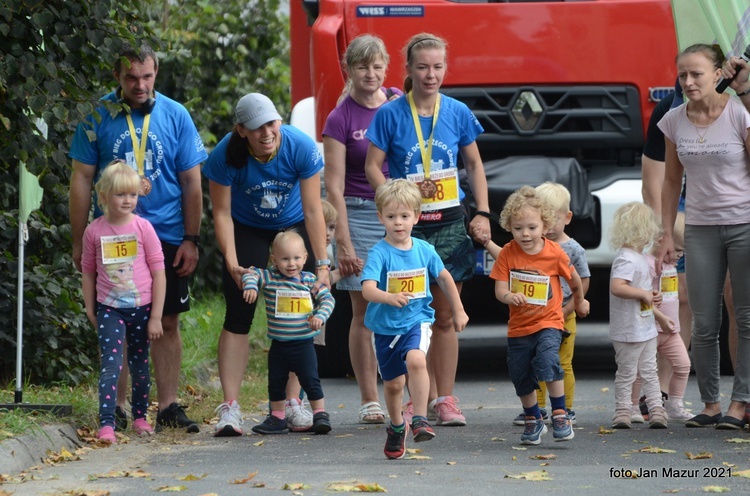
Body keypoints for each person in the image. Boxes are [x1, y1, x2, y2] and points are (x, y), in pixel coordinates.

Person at [69, 43, 206, 433]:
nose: (140, 85)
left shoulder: (176, 114)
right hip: (111, 235)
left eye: (147, 77)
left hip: (163, 233)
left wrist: (191, 238)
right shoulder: (98, 114)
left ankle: (168, 406)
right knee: (118, 318)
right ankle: (120, 406)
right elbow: (80, 178)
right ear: (117, 76)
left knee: (166, 319)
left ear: (156, 72)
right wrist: (79, 239)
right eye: (131, 78)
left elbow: (191, 180)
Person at [364, 33, 491, 426]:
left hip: (450, 224)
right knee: (409, 313)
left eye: (437, 67)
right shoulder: (389, 113)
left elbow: (474, 165)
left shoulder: (456, 111)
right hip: (408, 231)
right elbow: (372, 165)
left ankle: (445, 399)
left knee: (446, 316)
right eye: (422, 67)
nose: (430, 74)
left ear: (445, 69)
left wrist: (483, 212)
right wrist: (393, 200)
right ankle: (418, 396)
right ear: (409, 70)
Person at [203, 92, 331, 437]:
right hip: (247, 230)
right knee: (238, 313)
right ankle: (230, 407)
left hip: (291, 228)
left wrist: (322, 264)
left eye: (272, 123)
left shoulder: (299, 146)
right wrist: (231, 261)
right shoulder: (225, 155)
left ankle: (293, 403)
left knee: (296, 312)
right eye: (257, 128)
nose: (267, 132)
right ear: (241, 130)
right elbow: (222, 213)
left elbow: (314, 209)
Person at [658, 43, 750, 430]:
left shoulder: (739, 114)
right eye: (683, 75)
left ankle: (741, 403)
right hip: (699, 228)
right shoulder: (673, 119)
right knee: (704, 320)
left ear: (718, 74)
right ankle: (711, 403)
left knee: (746, 318)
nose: (689, 81)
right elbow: (670, 180)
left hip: (744, 224)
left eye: (697, 73)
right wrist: (666, 232)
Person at [322, 34, 401, 424]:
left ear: (386, 68)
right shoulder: (341, 118)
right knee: (364, 309)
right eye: (361, 67)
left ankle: (409, 392)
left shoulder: (400, 102)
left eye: (376, 66)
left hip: (400, 211)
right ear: (348, 70)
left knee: (408, 302)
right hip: (357, 211)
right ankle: (370, 399)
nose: (370, 74)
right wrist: (344, 242)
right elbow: (332, 186)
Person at [361, 179, 469, 459]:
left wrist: (458, 309)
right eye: (391, 216)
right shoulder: (379, 253)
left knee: (417, 360)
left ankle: (420, 417)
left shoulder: (424, 250)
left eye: (405, 216)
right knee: (394, 385)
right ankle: (397, 427)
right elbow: (368, 289)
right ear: (380, 217)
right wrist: (388, 297)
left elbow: (444, 276)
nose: (398, 223)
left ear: (416, 217)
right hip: (385, 328)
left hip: (417, 320)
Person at [490, 186, 589, 445]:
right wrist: (509, 296)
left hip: (549, 321)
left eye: (532, 227)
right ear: (509, 226)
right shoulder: (508, 254)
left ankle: (559, 413)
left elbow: (575, 279)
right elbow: (499, 289)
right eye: (518, 227)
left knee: (548, 360)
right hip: (519, 327)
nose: (525, 234)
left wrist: (580, 301)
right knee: (520, 374)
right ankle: (533, 419)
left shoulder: (554, 252)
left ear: (544, 226)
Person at [81, 161, 165, 443]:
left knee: (140, 365)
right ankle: (107, 422)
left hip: (142, 309)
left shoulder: (144, 228)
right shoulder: (94, 231)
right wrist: (91, 308)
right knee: (111, 364)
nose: (128, 200)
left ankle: (140, 417)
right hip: (109, 309)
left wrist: (156, 316)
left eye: (132, 194)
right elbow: (88, 272)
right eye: (120, 195)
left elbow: (158, 272)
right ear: (104, 197)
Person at [241, 231, 335, 435]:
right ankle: (277, 418)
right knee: (276, 382)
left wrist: (320, 316)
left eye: (296, 258)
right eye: (285, 259)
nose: (291, 264)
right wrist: (251, 287)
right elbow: (250, 273)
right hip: (279, 344)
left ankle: (320, 414)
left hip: (303, 344)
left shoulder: (309, 280)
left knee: (311, 380)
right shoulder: (270, 277)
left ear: (305, 257)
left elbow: (328, 299)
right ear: (274, 260)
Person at [524, 182, 590, 426]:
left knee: (561, 362)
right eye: (543, 219)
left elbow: (582, 281)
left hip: (563, 314)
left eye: (554, 218)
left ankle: (566, 408)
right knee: (535, 360)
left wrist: (569, 308)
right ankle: (537, 407)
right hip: (534, 315)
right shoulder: (532, 246)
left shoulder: (573, 249)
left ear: (568, 217)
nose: (549, 226)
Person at [609, 202, 673, 429]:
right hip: (628, 329)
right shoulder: (626, 258)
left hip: (645, 326)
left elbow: (641, 296)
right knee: (627, 372)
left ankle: (657, 410)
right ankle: (623, 411)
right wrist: (644, 293)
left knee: (649, 371)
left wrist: (658, 313)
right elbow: (618, 287)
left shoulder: (639, 258)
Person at [631, 214, 692, 423]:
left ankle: (674, 403)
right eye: (678, 251)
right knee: (640, 371)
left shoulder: (670, 265)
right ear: (660, 242)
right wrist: (660, 318)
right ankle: (631, 407)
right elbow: (641, 297)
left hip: (669, 329)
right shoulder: (647, 265)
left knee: (683, 365)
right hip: (649, 328)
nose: (680, 257)